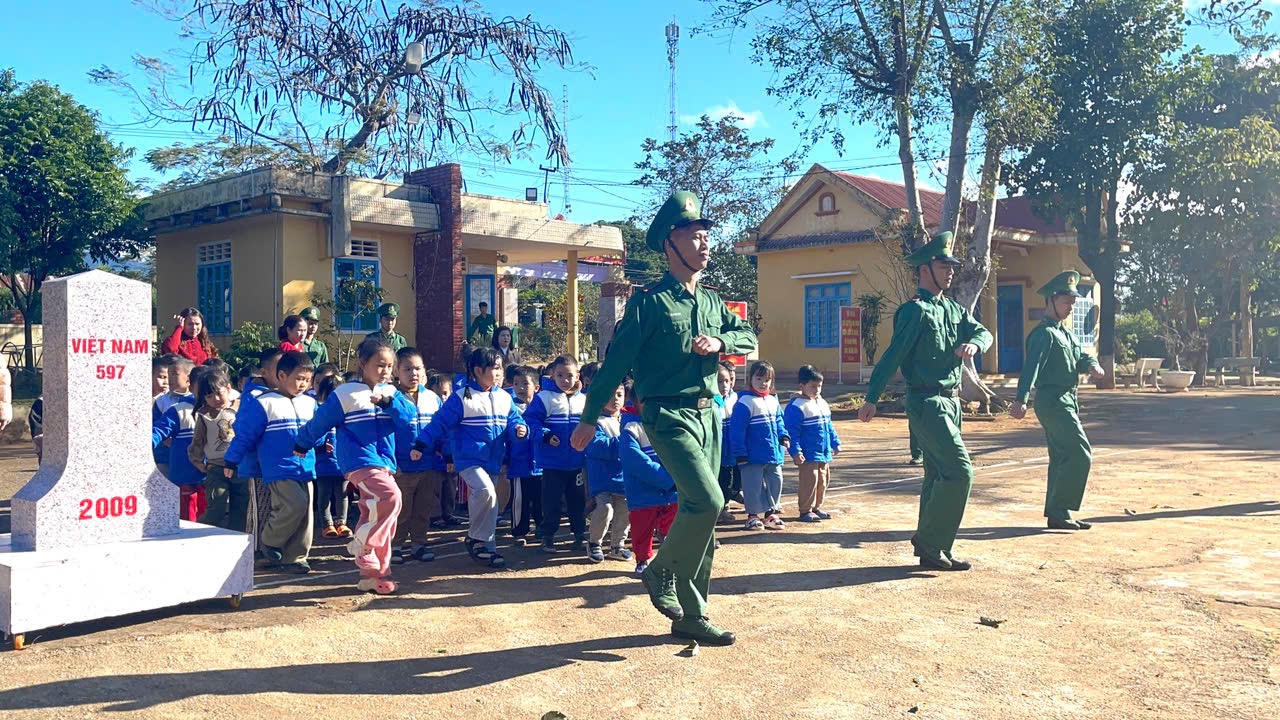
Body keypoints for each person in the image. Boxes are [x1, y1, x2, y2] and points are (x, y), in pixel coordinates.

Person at [570, 190, 756, 647]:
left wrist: (719, 341)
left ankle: (693, 614)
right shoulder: (649, 304)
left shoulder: (712, 303)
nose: (706, 243)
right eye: (696, 236)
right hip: (667, 415)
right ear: (670, 244)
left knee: (702, 514)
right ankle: (658, 570)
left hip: (710, 414)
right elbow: (615, 365)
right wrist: (590, 416)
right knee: (709, 500)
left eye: (707, 235)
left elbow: (748, 335)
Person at [858, 231, 993, 572]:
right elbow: (891, 357)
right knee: (960, 471)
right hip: (927, 402)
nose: (950, 271)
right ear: (924, 269)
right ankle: (930, 542)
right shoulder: (914, 313)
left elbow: (983, 332)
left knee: (936, 475)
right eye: (942, 265)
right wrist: (871, 397)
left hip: (952, 402)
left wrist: (975, 344)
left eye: (951, 265)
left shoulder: (952, 309)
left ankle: (934, 547)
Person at [294, 338, 408, 594]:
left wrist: (390, 404)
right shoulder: (345, 394)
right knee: (391, 498)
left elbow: (408, 419)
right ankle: (363, 543)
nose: (385, 371)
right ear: (363, 363)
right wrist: (302, 443)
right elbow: (320, 422)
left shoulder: (391, 392)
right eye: (380, 365)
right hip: (358, 461)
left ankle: (374, 575)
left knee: (377, 515)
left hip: (384, 462)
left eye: (390, 366)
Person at [411, 347, 528, 568]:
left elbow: (515, 420)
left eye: (500, 368)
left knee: (490, 501)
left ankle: (486, 546)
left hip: (493, 460)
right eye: (494, 368)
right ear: (477, 370)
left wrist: (520, 429)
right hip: (468, 459)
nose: (499, 373)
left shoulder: (504, 397)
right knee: (485, 492)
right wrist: (421, 443)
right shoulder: (461, 397)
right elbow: (439, 423)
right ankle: (477, 539)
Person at [1011, 271, 1106, 531]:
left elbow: (1082, 356)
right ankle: (1062, 508)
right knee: (1079, 453)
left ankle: (1058, 513)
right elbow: (1031, 368)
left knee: (1062, 456)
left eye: (1073, 303)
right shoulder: (1043, 335)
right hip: (1052, 400)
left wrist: (1094, 365)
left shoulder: (1066, 333)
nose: (1071, 307)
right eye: (1067, 302)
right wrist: (1021, 399)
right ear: (1051, 300)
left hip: (1067, 399)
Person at [225, 351, 318, 574]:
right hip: (278, 467)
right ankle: (269, 541)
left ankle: (295, 557)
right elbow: (245, 435)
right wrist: (231, 460)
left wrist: (326, 440)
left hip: (306, 466)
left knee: (306, 513)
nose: (303, 384)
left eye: (307, 379)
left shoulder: (309, 403)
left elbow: (320, 429)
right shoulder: (264, 402)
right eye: (298, 378)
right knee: (293, 504)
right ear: (282, 376)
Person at [527, 355, 589, 554]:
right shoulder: (544, 398)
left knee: (577, 501)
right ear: (552, 375)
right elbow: (530, 421)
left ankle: (580, 534)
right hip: (553, 463)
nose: (565, 380)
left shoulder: (584, 399)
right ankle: (548, 536)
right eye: (560, 375)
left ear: (577, 376)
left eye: (570, 376)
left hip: (578, 462)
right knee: (551, 502)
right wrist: (545, 435)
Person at [389, 347, 443, 563]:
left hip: (429, 464)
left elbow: (441, 428)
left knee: (424, 507)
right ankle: (395, 546)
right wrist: (393, 463)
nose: (413, 374)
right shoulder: (390, 399)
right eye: (407, 369)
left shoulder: (432, 398)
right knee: (401, 509)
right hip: (402, 466)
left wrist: (444, 454)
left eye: (417, 368)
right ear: (396, 372)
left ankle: (419, 544)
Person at [619, 390, 678, 575]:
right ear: (635, 401)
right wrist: (666, 479)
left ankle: (669, 555)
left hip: (670, 490)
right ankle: (643, 559)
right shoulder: (630, 427)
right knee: (642, 528)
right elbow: (635, 460)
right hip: (643, 491)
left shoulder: (667, 422)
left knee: (673, 520)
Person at [730, 360, 790, 531]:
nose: (763, 383)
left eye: (767, 380)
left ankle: (770, 513)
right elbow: (737, 431)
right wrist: (740, 453)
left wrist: (783, 436)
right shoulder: (744, 402)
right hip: (751, 456)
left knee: (775, 481)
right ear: (750, 379)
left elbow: (779, 422)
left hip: (773, 454)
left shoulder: (773, 401)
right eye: (759, 379)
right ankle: (753, 516)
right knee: (752, 485)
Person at [189, 370, 246, 532]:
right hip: (216, 467)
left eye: (218, 393)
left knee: (241, 507)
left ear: (228, 389)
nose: (215, 399)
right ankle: (200, 533)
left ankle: (236, 539)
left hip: (240, 467)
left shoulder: (241, 407)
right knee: (216, 506)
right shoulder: (204, 415)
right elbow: (198, 440)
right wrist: (198, 462)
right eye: (208, 396)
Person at [784, 365, 841, 522]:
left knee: (823, 480)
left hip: (823, 451)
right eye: (813, 386)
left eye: (819, 386)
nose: (817, 390)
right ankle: (805, 510)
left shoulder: (822, 403)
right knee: (810, 481)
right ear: (802, 386)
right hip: (808, 454)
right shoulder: (796, 407)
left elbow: (829, 425)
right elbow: (792, 432)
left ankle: (817, 507)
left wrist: (835, 442)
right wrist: (795, 452)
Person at [152, 360, 208, 520]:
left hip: (212, 476)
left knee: (210, 519)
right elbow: (157, 432)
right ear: (191, 385)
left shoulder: (220, 409)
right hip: (185, 476)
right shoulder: (177, 410)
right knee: (188, 520)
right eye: (203, 386)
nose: (208, 391)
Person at [584, 383, 632, 563]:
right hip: (601, 478)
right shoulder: (593, 421)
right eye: (610, 395)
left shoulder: (628, 419)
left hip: (624, 478)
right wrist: (625, 442)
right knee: (605, 509)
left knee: (625, 510)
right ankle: (594, 542)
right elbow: (596, 447)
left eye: (619, 394)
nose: (615, 399)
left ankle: (617, 545)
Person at [310, 370, 351, 539]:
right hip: (322, 463)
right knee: (324, 495)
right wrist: (320, 447)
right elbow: (312, 434)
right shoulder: (318, 411)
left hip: (343, 463)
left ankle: (342, 523)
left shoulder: (347, 412)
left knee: (343, 494)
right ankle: (327, 525)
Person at [505, 365, 543, 546]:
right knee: (520, 499)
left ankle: (542, 529)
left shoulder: (542, 407)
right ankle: (519, 532)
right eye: (516, 383)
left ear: (536, 387)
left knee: (541, 499)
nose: (520, 387)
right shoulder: (510, 409)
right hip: (518, 463)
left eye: (525, 384)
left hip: (541, 464)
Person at [425, 371, 462, 527]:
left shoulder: (454, 412)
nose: (442, 397)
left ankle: (449, 513)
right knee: (434, 488)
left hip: (451, 456)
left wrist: (450, 455)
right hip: (434, 457)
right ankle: (435, 515)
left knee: (451, 487)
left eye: (445, 393)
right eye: (437, 394)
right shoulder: (430, 413)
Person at [714, 361, 740, 525]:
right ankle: (720, 509)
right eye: (719, 381)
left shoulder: (734, 397)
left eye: (727, 381)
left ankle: (727, 502)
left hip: (732, 446)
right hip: (717, 446)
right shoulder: (710, 400)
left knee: (731, 477)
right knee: (720, 478)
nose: (724, 385)